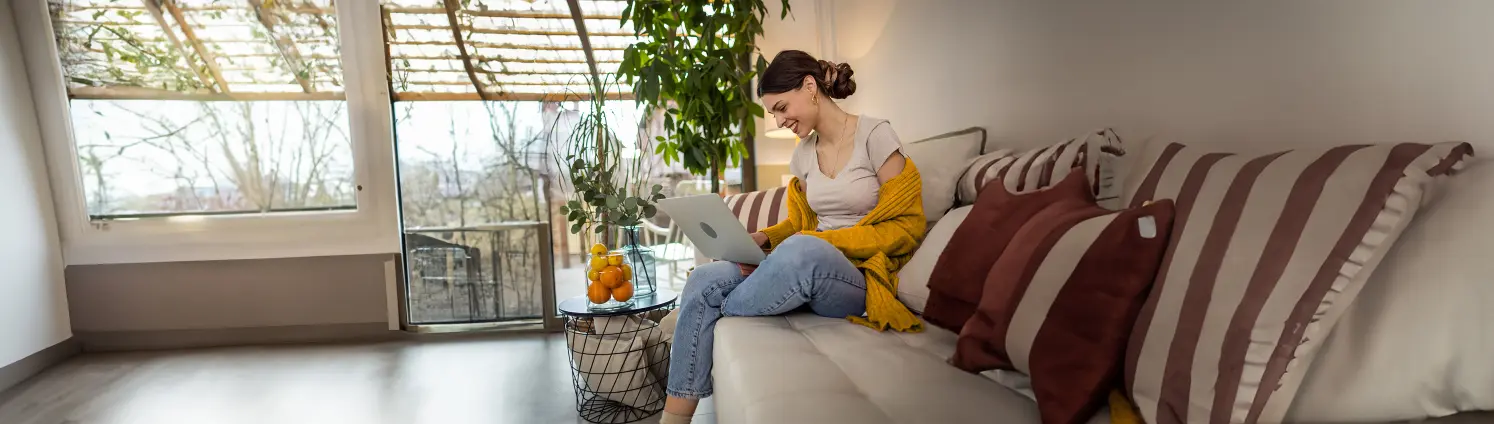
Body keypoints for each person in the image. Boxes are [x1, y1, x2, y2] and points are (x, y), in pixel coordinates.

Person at [659, 50, 927, 424]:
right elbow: (799, 225)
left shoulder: (875, 135)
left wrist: (824, 243)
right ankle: (674, 419)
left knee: (800, 250)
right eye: (773, 113)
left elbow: (906, 225)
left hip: (858, 276)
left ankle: (705, 308)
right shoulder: (802, 156)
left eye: (782, 107)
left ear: (810, 86)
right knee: (705, 277)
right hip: (804, 262)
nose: (781, 120)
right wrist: (762, 238)